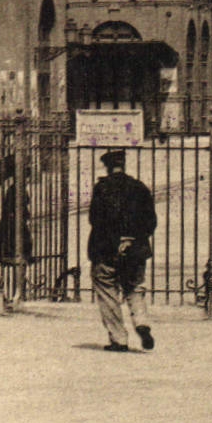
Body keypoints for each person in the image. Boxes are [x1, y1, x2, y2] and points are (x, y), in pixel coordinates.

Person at [88, 149, 158, 352]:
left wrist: (116, 239)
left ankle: (119, 339)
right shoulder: (140, 188)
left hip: (106, 251)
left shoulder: (101, 189)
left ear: (108, 167)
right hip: (135, 251)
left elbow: (95, 219)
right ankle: (142, 323)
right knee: (134, 288)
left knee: (107, 291)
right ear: (124, 165)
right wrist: (132, 238)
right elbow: (151, 222)